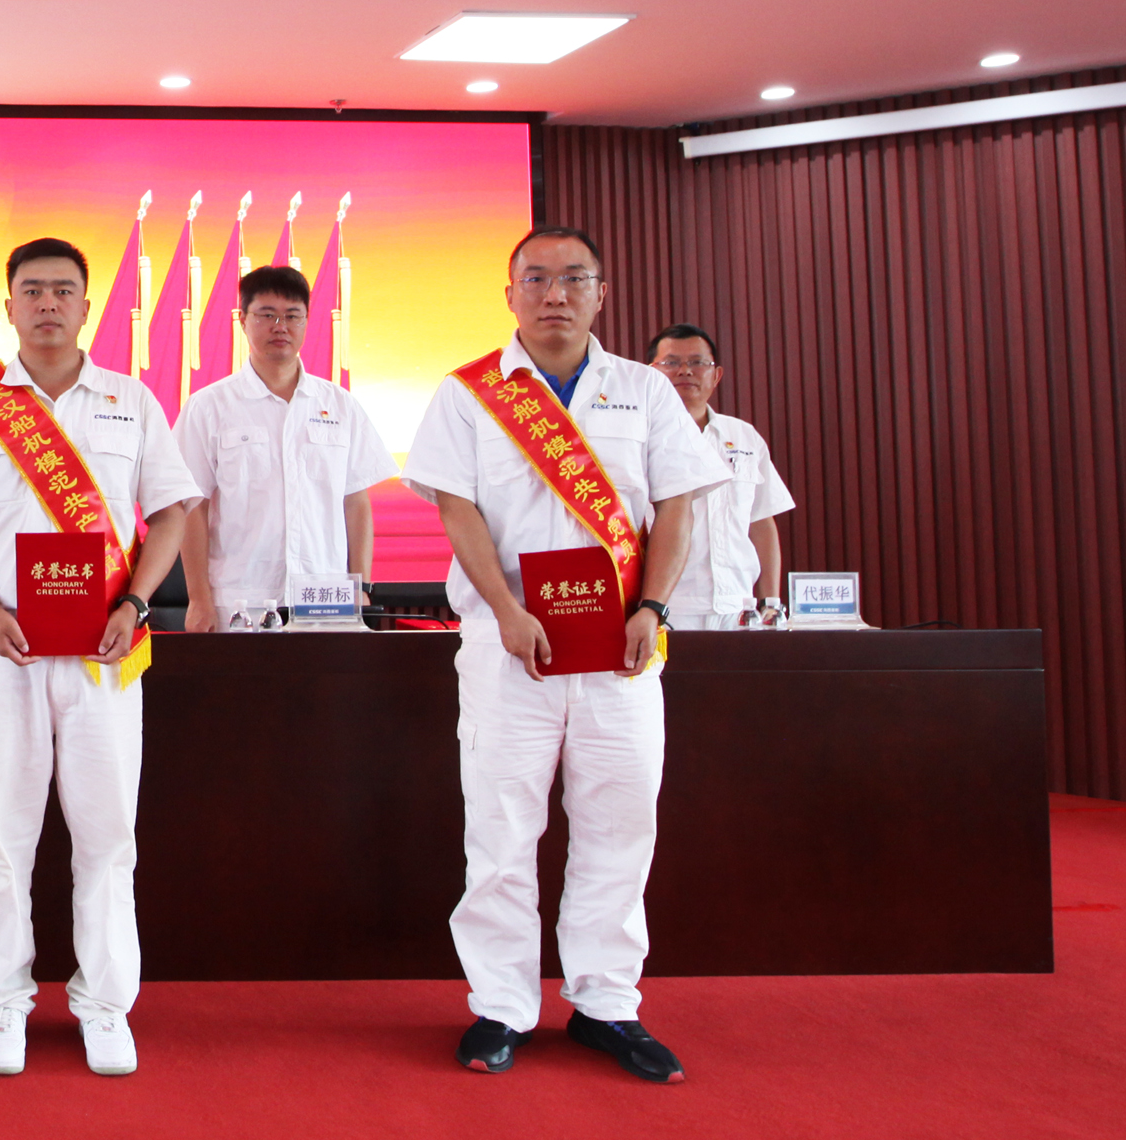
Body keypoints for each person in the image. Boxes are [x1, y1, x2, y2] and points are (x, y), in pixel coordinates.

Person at [405, 226, 726, 1084]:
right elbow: (457, 509)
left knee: (620, 824)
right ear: (509, 292)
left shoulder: (645, 391)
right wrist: (507, 610)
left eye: (574, 278)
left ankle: (606, 1003)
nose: (555, 294)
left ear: (601, 293)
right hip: (510, 648)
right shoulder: (468, 393)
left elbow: (678, 506)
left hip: (622, 651)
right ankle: (501, 1006)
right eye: (538, 278)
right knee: (502, 829)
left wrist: (653, 608)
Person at [0, 238, 198, 1079]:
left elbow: (171, 513)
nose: (47, 304)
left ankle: (104, 1001)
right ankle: (2, 995)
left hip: (106, 648)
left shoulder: (131, 400)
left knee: (107, 830)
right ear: (8, 306)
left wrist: (135, 603)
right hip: (6, 649)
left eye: (63, 290)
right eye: (31, 290)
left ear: (86, 305)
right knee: (2, 829)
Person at [173, 265, 396, 630]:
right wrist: (198, 598)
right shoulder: (209, 407)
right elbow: (191, 508)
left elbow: (355, 502)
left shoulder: (340, 406)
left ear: (307, 322)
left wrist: (362, 587)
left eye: (293, 316)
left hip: (326, 598)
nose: (280, 326)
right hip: (240, 600)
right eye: (267, 315)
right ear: (242, 320)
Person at [648, 324, 797, 629]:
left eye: (697, 362)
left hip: (739, 606)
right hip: (666, 606)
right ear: (651, 374)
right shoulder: (641, 437)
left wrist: (770, 602)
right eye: (671, 362)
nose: (685, 371)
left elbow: (761, 522)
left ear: (716, 375)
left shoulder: (744, 436)